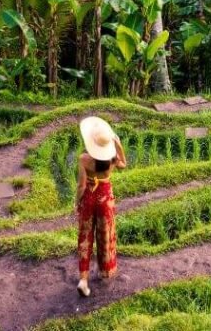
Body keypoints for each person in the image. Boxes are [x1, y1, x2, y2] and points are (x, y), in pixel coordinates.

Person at [75, 116, 126, 297]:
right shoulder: (112, 159)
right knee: (105, 235)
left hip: (89, 198)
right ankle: (106, 271)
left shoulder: (83, 159)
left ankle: (83, 279)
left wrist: (77, 202)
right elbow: (124, 164)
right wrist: (118, 145)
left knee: (85, 236)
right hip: (106, 199)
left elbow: (81, 186)